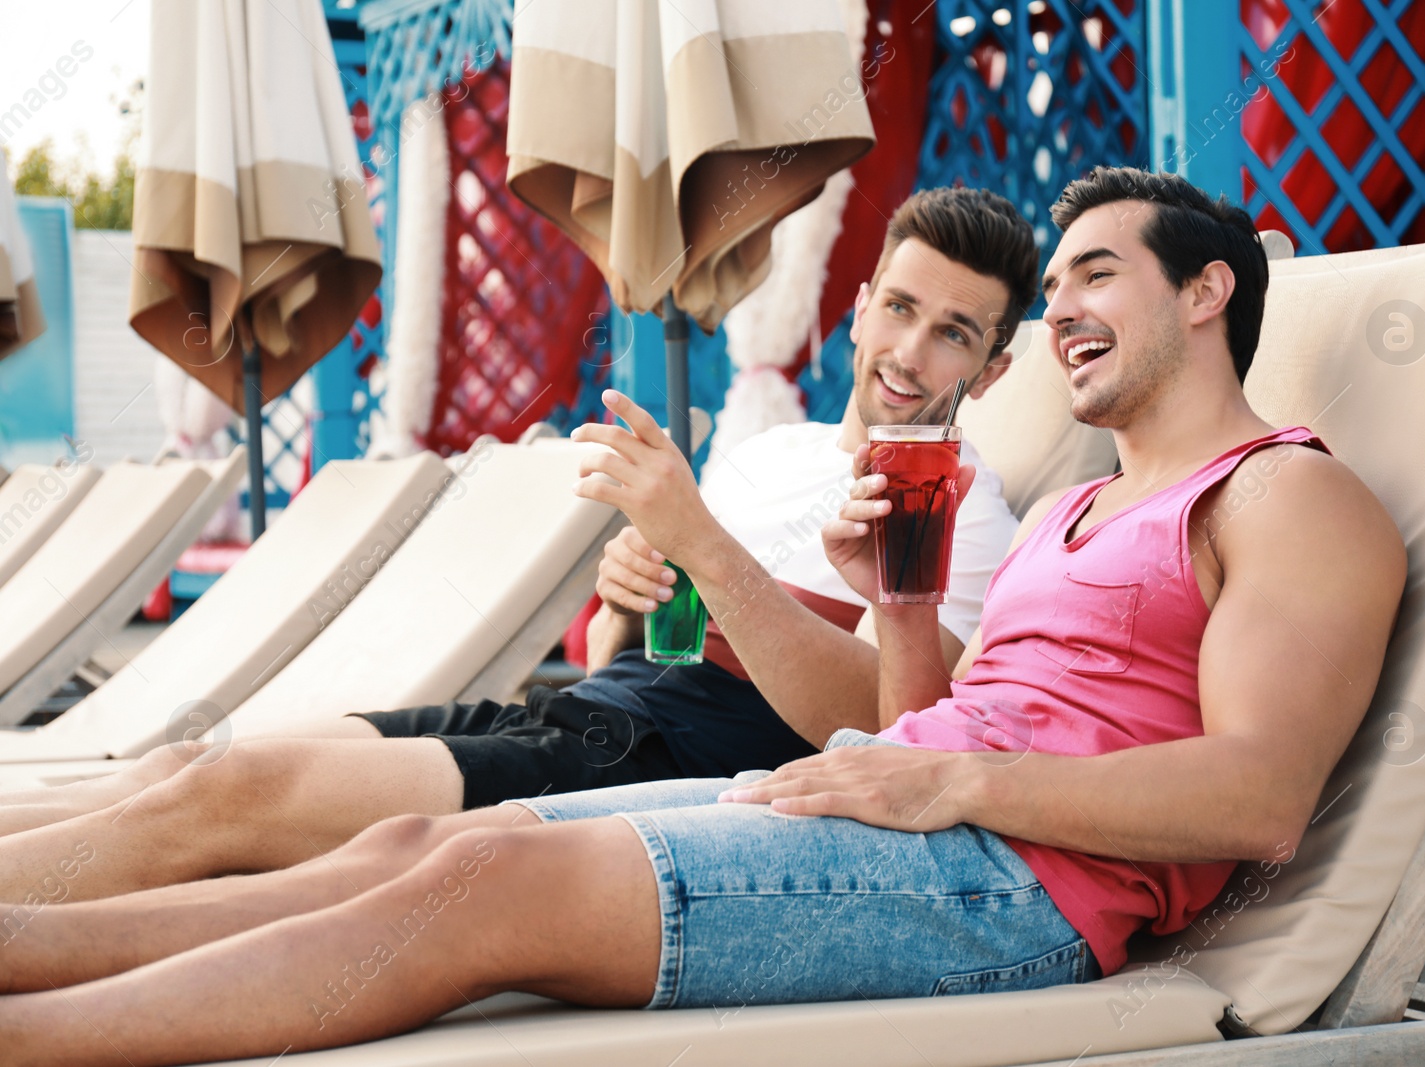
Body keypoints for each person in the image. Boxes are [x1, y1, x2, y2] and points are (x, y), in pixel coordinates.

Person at [0, 168, 1406, 1066]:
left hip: (1026, 880)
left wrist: (957, 774)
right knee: (425, 840)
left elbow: (1263, 795)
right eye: (1053, 293)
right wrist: (900, 607)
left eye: (1095, 273)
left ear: (1209, 289)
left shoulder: (1285, 495)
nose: (1062, 310)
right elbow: (911, 719)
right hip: (895, 810)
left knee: (480, 891)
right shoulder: (1065, 513)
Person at [0, 187, 1032, 901]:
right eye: (898, 308)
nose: (908, 352)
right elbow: (643, 653)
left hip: (668, 766)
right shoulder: (771, 453)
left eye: (954, 332)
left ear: (990, 369)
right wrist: (637, 592)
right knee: (189, 762)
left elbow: (899, 738)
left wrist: (706, 553)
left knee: (233, 798)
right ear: (855, 311)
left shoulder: (965, 513)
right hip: (588, 710)